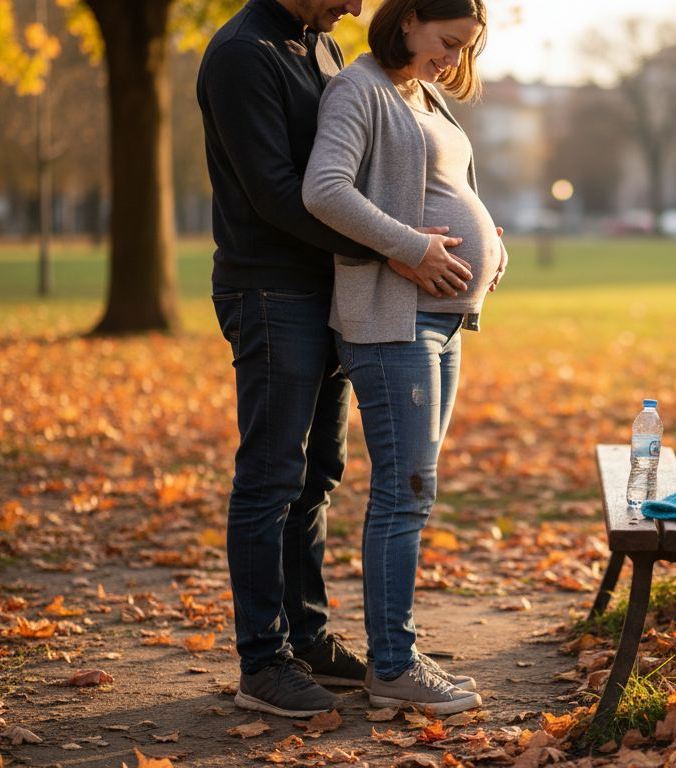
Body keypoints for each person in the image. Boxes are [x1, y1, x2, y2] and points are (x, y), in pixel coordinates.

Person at [196, 0, 475, 719]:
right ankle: (262, 661)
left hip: (330, 294)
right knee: (270, 477)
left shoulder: (317, 47)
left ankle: (309, 639)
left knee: (319, 474)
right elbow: (280, 197)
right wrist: (396, 249)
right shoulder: (242, 55)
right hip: (270, 290)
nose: (355, 5)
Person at [302, 0, 505, 716]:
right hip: (393, 322)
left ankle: (399, 654)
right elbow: (324, 190)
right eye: (447, 42)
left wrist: (493, 247)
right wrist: (411, 247)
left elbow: (451, 189)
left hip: (442, 324)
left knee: (415, 491)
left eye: (464, 48)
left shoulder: (423, 95)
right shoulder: (359, 89)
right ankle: (392, 665)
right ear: (410, 18)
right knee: (403, 493)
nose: (452, 59)